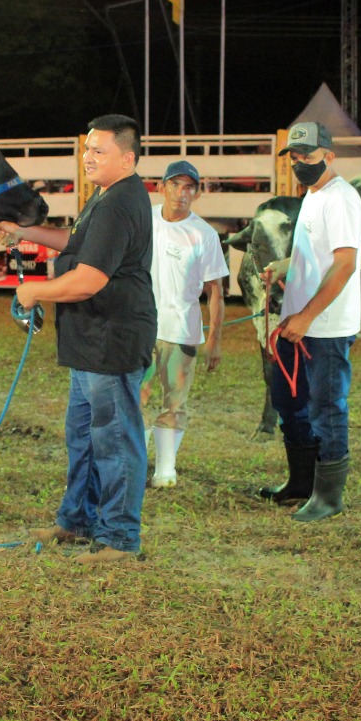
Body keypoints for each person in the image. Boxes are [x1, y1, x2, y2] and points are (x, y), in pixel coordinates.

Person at [0, 114, 155, 564]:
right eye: (87, 150)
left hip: (111, 339)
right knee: (83, 436)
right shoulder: (106, 196)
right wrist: (23, 231)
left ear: (128, 158)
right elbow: (77, 243)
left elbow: (88, 279)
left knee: (115, 440)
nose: (88, 158)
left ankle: (119, 539)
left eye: (99, 151)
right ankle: (78, 521)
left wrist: (32, 290)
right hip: (91, 340)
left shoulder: (120, 203)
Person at [259, 121, 361, 523]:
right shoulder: (313, 195)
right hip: (299, 324)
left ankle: (328, 498)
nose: (301, 163)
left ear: (329, 156)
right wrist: (289, 264)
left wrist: (305, 315)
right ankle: (301, 484)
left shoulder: (340, 198)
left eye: (308, 155)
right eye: (296, 157)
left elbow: (344, 263)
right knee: (290, 403)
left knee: (326, 409)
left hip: (325, 328)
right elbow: (322, 253)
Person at [139, 159, 229, 489]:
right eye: (175, 185)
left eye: (189, 187)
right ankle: (135, 463)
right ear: (161, 187)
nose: (181, 193)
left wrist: (215, 338)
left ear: (197, 193)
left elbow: (215, 290)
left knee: (174, 401)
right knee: (137, 395)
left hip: (182, 332)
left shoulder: (203, 235)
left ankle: (165, 468)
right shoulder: (143, 219)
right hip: (142, 327)